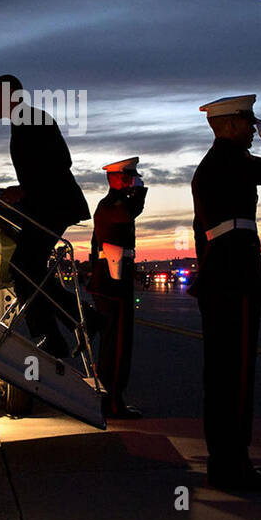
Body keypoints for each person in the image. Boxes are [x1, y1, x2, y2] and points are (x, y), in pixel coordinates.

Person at [189, 94, 261, 491]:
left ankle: (227, 463)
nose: (252, 129)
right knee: (235, 375)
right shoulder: (229, 161)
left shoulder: (213, 166)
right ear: (229, 125)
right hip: (235, 279)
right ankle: (234, 467)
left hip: (221, 277)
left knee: (222, 375)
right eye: (249, 123)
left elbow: (203, 233)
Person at [0, 75, 90, 358]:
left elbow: (61, 162)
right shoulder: (24, 120)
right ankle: (74, 327)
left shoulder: (31, 119)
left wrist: (23, 189)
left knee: (23, 268)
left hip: (54, 206)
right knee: (29, 268)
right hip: (47, 205)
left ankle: (54, 337)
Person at [89, 157, 147, 419]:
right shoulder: (112, 204)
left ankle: (112, 399)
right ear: (115, 178)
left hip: (114, 277)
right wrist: (140, 190)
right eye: (129, 175)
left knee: (116, 341)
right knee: (117, 343)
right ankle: (112, 403)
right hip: (113, 279)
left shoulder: (114, 203)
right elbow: (128, 214)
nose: (132, 179)